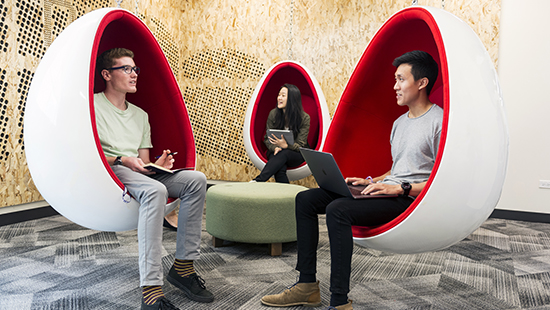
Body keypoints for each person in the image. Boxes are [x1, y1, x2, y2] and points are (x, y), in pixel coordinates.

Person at [260, 50, 443, 310]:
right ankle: (306, 285)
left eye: (401, 79)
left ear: (422, 83)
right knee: (306, 199)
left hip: (408, 199)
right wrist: (370, 180)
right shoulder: (400, 123)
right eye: (395, 79)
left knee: (337, 210)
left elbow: (439, 181)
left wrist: (399, 187)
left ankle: (339, 301)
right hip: (389, 188)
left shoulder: (439, 122)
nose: (395, 86)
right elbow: (400, 168)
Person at [94, 48, 213, 310]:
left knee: (196, 179)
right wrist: (121, 160)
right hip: (109, 169)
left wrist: (156, 166)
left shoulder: (140, 115)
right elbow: (87, 153)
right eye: (126, 69)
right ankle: (151, 289)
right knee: (156, 192)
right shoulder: (92, 106)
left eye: (135, 69)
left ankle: (182, 268)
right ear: (107, 75)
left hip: (135, 171)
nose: (134, 74)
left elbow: (143, 160)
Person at [253, 84, 310, 183]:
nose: (279, 98)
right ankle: (287, 196)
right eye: (279, 95)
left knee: (284, 153)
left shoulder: (304, 118)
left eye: (283, 95)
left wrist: (286, 145)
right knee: (280, 169)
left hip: (296, 153)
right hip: (275, 151)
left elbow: (301, 145)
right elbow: (267, 138)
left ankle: (258, 180)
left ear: (292, 98)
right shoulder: (273, 114)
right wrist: (275, 148)